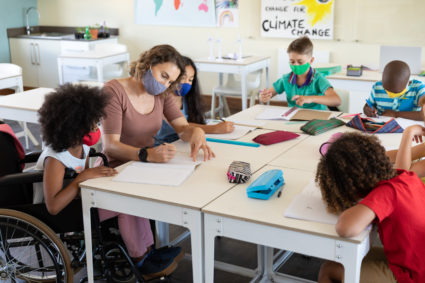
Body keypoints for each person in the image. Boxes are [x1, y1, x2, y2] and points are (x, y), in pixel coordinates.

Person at [36, 84, 179, 280]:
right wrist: (82, 178)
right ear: (73, 125)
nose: (97, 128)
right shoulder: (55, 158)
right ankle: (141, 259)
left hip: (80, 203)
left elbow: (84, 183)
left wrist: (91, 177)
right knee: (124, 205)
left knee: (133, 197)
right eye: (92, 124)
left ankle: (148, 250)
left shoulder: (82, 148)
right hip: (63, 214)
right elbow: (53, 206)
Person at [315, 132, 425, 283]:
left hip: (413, 275)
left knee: (329, 270)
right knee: (343, 259)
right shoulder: (405, 177)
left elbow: (345, 229)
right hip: (414, 260)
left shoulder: (384, 194)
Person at [101, 44, 214, 168]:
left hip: (145, 165)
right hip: (114, 168)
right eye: (164, 76)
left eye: (170, 82)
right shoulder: (112, 91)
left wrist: (196, 131)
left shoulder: (162, 94)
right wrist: (147, 155)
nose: (165, 84)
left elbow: (182, 129)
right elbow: (111, 146)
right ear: (148, 64)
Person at [156, 56, 235, 144]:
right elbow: (179, 126)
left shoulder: (188, 99)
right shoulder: (162, 99)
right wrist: (214, 128)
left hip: (183, 143)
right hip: (162, 145)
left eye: (190, 79)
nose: (186, 83)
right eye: (182, 78)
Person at [259, 36, 340, 110]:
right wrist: (263, 96)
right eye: (292, 61)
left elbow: (336, 100)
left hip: (316, 120)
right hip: (293, 119)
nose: (296, 65)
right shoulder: (286, 79)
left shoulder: (318, 79)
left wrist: (310, 98)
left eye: (300, 62)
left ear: (311, 60)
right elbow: (268, 94)